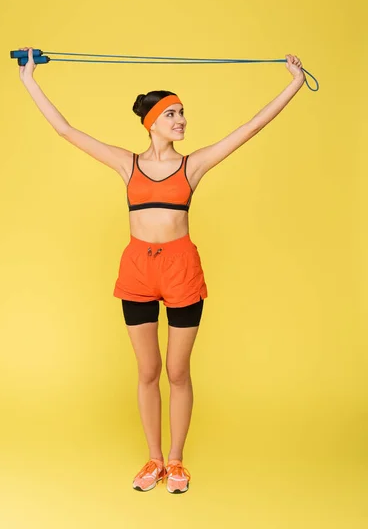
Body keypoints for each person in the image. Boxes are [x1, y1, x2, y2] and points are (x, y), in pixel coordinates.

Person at [18, 47, 305, 494]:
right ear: (152, 122)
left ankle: (176, 461)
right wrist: (28, 77)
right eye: (172, 113)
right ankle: (153, 459)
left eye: (183, 113)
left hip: (181, 269)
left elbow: (251, 127)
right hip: (137, 269)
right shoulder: (126, 163)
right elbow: (64, 129)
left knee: (177, 371)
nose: (182, 120)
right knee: (148, 370)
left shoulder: (194, 165)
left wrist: (293, 82)